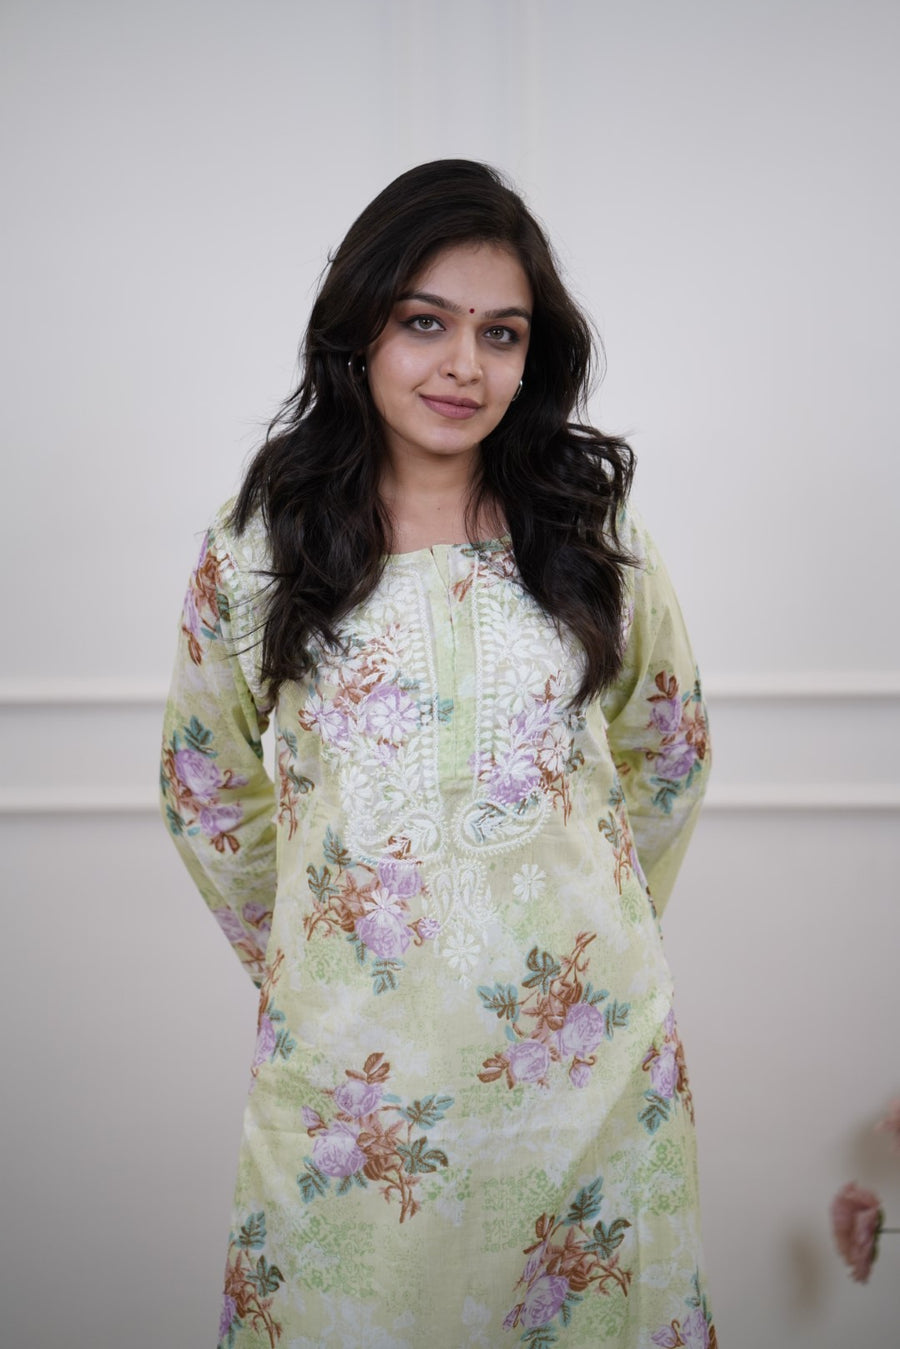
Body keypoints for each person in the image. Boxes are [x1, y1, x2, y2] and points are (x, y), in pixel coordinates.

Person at [160, 159, 715, 1348]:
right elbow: (206, 788)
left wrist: (586, 937)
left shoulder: (593, 531)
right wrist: (323, 957)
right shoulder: (259, 546)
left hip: (585, 1076)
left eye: (500, 333)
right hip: (357, 1091)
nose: (466, 364)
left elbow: (668, 749)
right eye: (426, 322)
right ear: (360, 328)